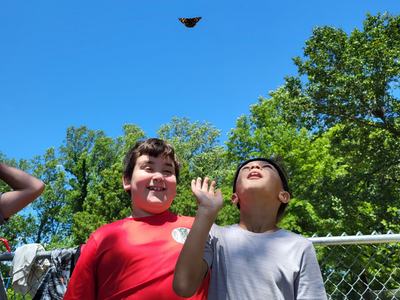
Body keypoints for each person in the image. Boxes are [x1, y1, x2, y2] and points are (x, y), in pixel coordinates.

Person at [64, 138, 208, 300]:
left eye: (168, 171)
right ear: (127, 181)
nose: (159, 176)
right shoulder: (102, 237)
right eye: (148, 168)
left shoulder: (201, 227)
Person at [173, 157, 327, 299]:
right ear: (235, 197)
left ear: (283, 196)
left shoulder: (300, 246)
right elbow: (183, 286)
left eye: (266, 167)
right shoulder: (215, 235)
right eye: (245, 169)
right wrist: (205, 212)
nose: (254, 166)